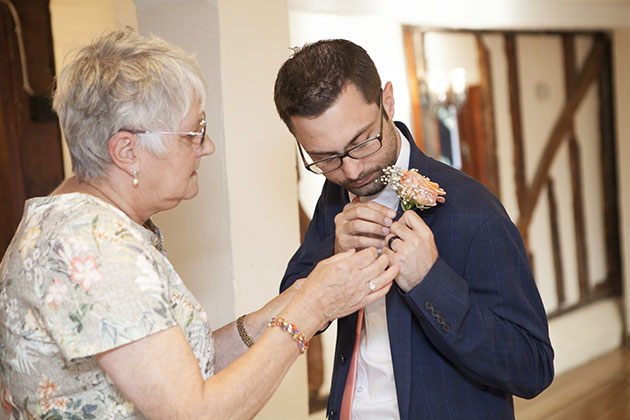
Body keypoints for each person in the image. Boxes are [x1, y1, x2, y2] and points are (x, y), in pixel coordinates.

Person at [0, 29, 400, 420]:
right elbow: (195, 411)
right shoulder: (91, 246)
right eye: (193, 133)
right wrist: (313, 307)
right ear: (126, 150)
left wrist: (298, 296)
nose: (206, 147)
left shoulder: (88, 224)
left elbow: (180, 369)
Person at [275, 39, 554, 420]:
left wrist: (430, 280)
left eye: (361, 143)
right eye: (325, 158)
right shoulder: (335, 196)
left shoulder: (475, 211)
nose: (352, 172)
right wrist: (332, 252)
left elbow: (531, 367)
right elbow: (290, 298)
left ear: (387, 102)